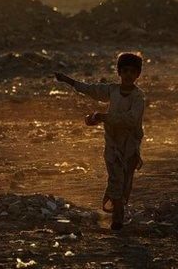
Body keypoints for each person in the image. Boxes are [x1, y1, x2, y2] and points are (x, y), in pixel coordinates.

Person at [54, 52, 145, 230]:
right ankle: (117, 219)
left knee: (125, 182)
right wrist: (69, 81)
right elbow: (92, 90)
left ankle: (118, 210)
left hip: (130, 145)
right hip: (113, 145)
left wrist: (104, 117)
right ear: (119, 72)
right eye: (124, 70)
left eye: (132, 72)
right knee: (115, 178)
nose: (128, 75)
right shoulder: (112, 90)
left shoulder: (138, 97)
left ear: (138, 75)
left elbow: (132, 120)